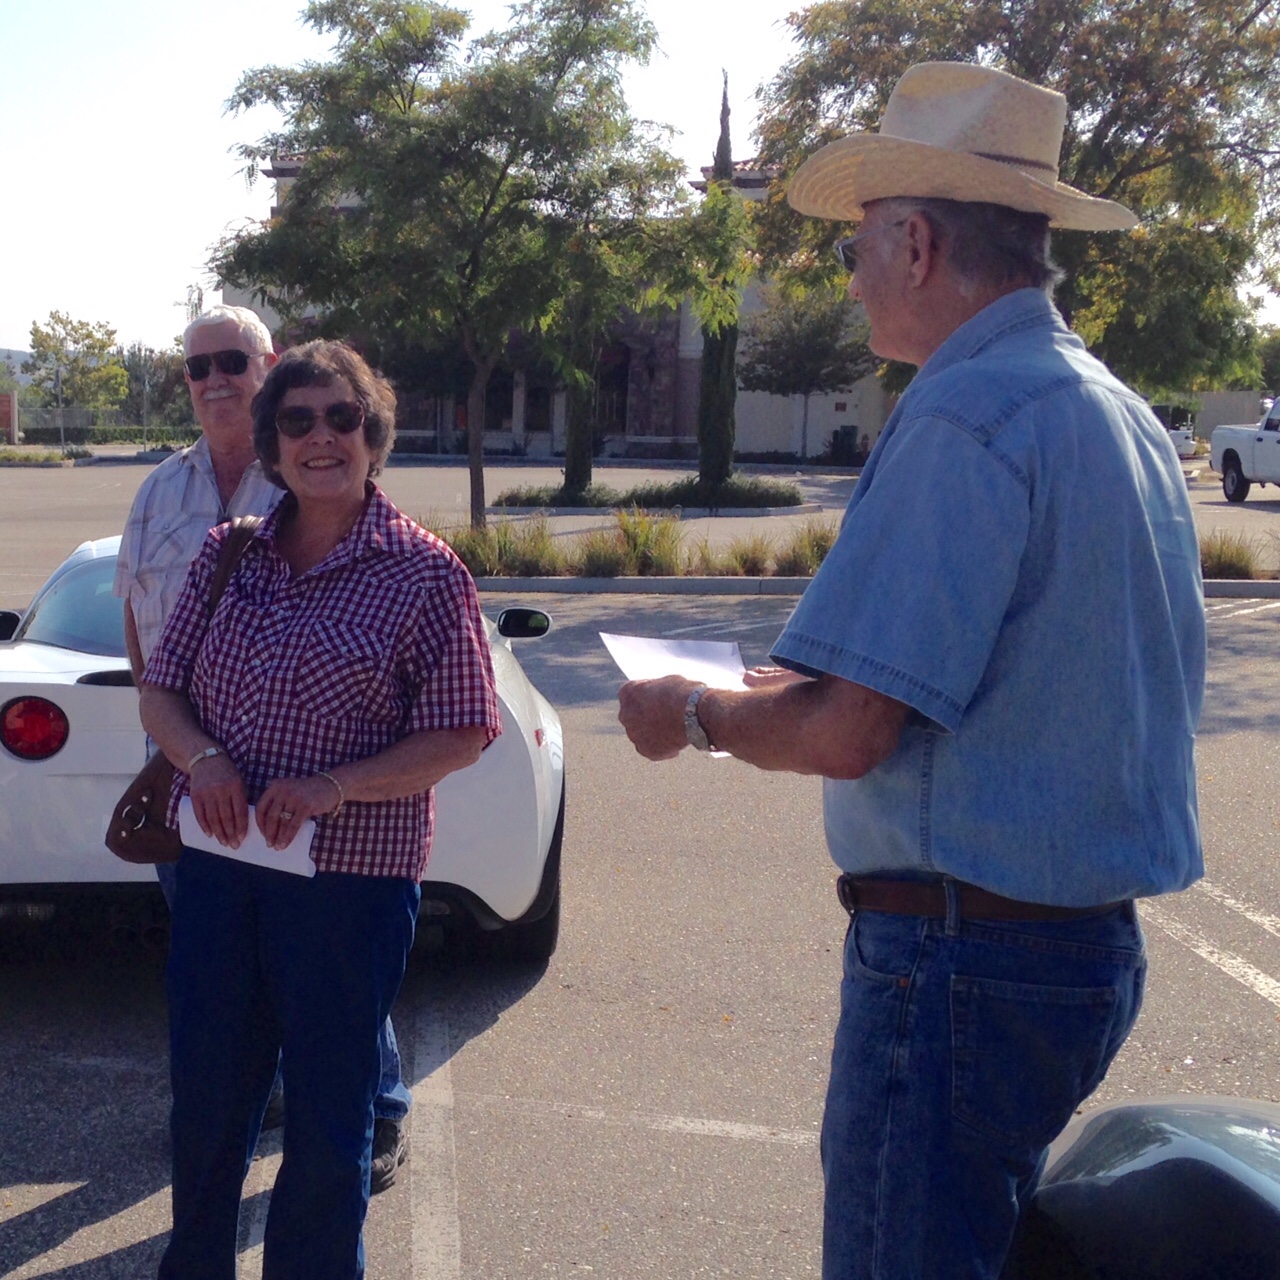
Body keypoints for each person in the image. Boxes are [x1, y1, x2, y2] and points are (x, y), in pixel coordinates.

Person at [617, 62, 1205, 1280]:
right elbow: (941, 687)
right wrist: (767, 699)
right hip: (1074, 952)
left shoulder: (963, 414)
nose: (846, 271)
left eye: (855, 245)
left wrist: (692, 712)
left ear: (918, 242)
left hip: (959, 964)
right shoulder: (1113, 410)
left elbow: (849, 730)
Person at [140, 340, 500, 1279]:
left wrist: (335, 786)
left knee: (332, 1119)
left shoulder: (426, 574)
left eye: (342, 418)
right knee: (210, 1102)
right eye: (296, 420)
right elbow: (162, 692)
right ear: (272, 444)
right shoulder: (230, 554)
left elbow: (464, 731)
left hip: (348, 886)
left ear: (373, 435)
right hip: (218, 870)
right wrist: (205, 758)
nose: (320, 437)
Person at [114, 307, 415, 1189]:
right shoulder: (160, 491)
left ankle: (378, 1107)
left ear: (269, 368)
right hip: (197, 777)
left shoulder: (310, 468)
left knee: (333, 968)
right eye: (196, 365)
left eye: (232, 361)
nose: (213, 378)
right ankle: (247, 1102)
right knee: (226, 968)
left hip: (308, 786)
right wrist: (170, 734)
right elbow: (139, 619)